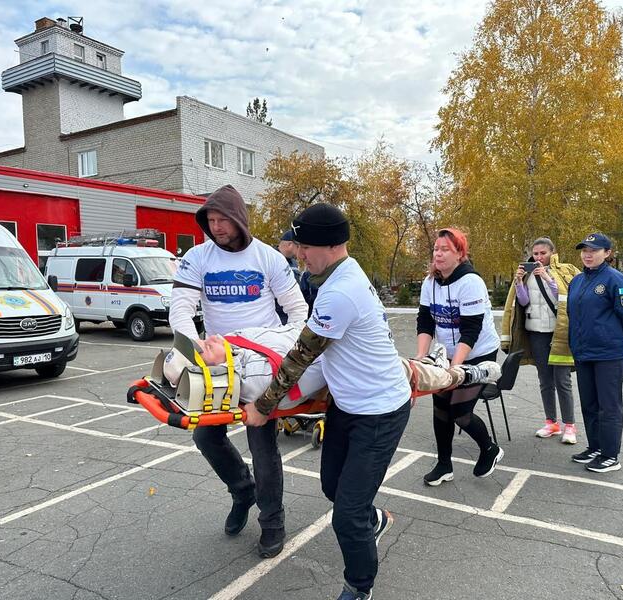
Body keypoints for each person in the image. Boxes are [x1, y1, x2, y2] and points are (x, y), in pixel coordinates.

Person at [244, 203, 411, 600]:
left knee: (346, 515)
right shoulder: (334, 279)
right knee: (333, 487)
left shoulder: (341, 291)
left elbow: (300, 358)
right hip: (348, 407)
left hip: (380, 411)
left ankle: (358, 587)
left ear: (330, 245)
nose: (298, 254)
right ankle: (373, 518)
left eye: (304, 246)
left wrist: (263, 407)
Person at [168, 184, 308, 558]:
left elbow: (298, 312)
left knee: (263, 446)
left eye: (222, 220)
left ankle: (273, 522)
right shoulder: (197, 257)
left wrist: (280, 347)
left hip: (258, 366)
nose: (216, 227)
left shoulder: (268, 258)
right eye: (210, 221)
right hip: (216, 363)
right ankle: (242, 490)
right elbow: (180, 307)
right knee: (206, 438)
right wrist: (191, 343)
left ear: (239, 220)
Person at [162, 322, 501, 405]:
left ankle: (441, 364)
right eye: (202, 350)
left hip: (337, 345)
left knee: (417, 368)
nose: (207, 339)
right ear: (211, 373)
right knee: (416, 375)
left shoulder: (233, 344)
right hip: (346, 362)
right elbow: (313, 368)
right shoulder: (256, 378)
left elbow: (287, 331)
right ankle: (468, 372)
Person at [416, 228, 503, 486]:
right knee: (440, 409)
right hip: (448, 352)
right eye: (436, 249)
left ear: (460, 254)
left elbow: (471, 330)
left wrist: (456, 370)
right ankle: (444, 465)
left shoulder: (470, 282)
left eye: (446, 249)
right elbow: (425, 323)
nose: (438, 254)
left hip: (477, 352)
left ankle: (489, 448)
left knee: (459, 412)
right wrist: (421, 357)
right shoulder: (430, 283)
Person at [567, 233, 623, 473]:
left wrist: (617, 338)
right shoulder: (577, 281)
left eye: (594, 250)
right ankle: (596, 447)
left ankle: (610, 455)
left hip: (609, 354)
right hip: (583, 353)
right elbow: (572, 314)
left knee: (608, 406)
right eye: (584, 250)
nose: (588, 254)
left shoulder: (616, 280)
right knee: (589, 403)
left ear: (607, 253)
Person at [501, 237, 581, 443]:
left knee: (562, 380)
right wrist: (519, 282)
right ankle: (551, 423)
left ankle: (570, 426)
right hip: (536, 332)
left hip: (559, 333)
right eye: (535, 254)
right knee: (545, 380)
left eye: (542, 253)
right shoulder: (526, 274)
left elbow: (564, 299)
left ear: (552, 253)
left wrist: (547, 278)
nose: (538, 257)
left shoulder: (563, 271)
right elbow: (523, 302)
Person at [275, 229, 301, 324]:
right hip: (276, 317)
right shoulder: (271, 259)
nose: (301, 251)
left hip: (292, 313)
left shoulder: (293, 262)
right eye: (298, 247)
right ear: (290, 245)